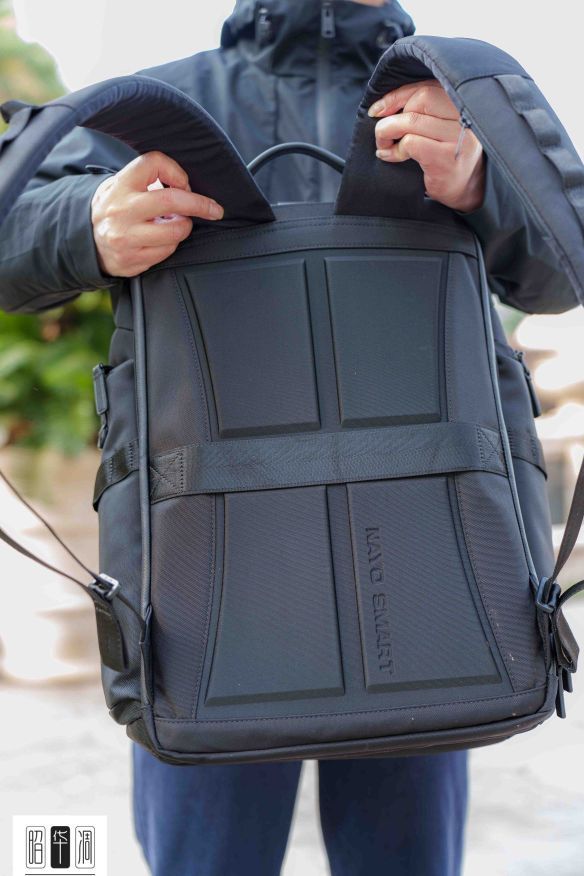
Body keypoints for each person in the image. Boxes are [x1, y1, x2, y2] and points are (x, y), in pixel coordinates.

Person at [0, 2, 577, 875]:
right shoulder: (164, 105)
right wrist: (86, 220)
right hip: (205, 583)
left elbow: (565, 265)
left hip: (424, 575)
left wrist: (480, 181)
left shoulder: (455, 104)